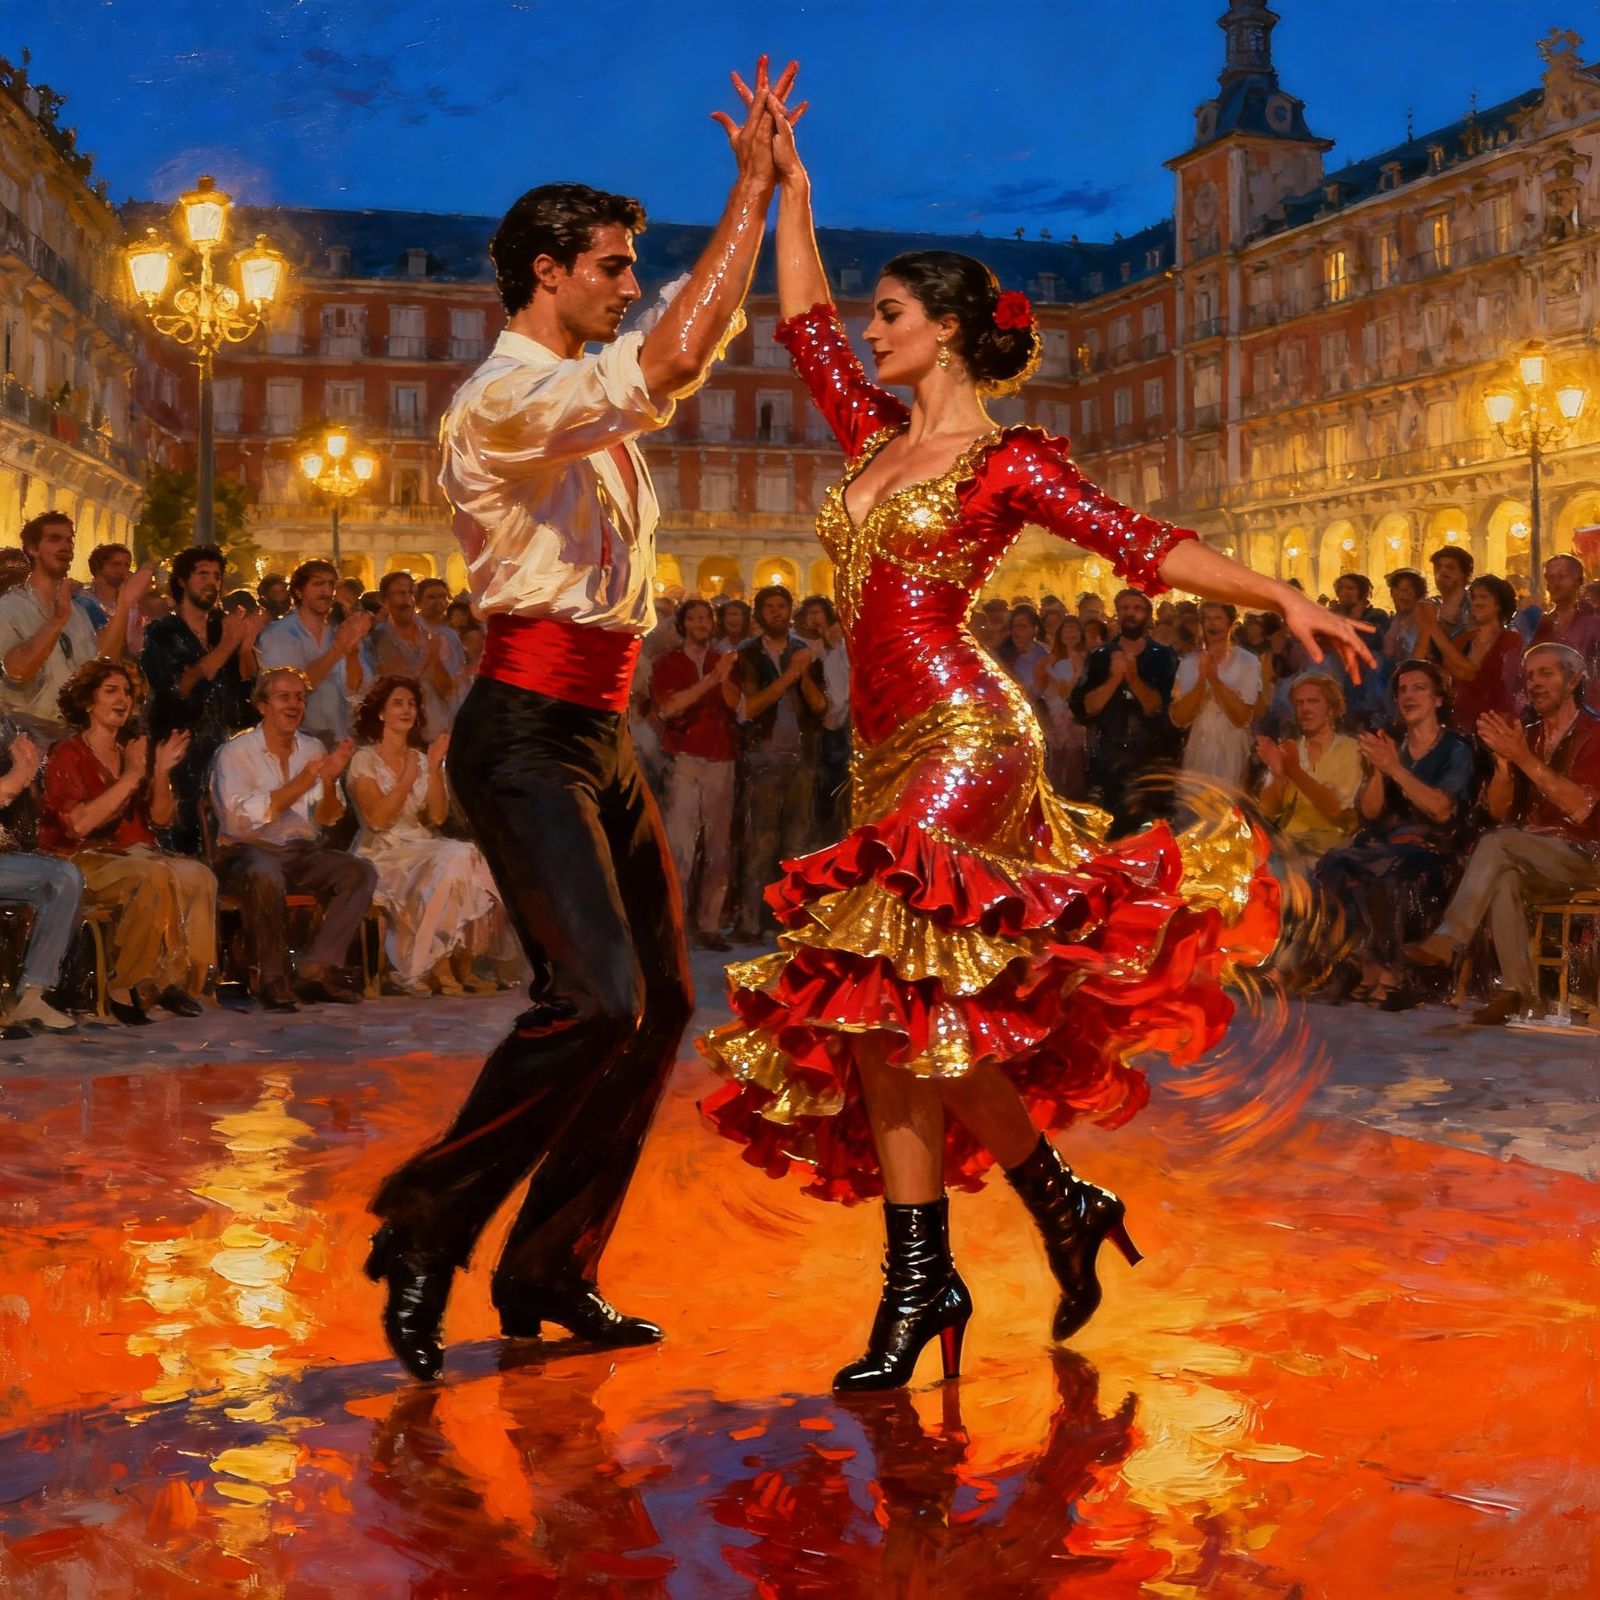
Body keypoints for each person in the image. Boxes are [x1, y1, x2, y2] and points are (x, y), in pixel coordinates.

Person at [698, 97, 1371, 1395]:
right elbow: (800, 321)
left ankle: (918, 1286)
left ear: (946, 329)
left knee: (889, 1007)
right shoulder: (871, 439)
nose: (872, 330)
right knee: (914, 1016)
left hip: (965, 729)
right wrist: (789, 183)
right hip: (883, 748)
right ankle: (1057, 1204)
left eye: (893, 313)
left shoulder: (1004, 462)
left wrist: (1277, 596)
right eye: (876, 314)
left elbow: (1139, 542)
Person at [366, 59, 796, 1385]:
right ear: (549, 272)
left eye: (628, 267)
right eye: (610, 266)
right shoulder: (504, 397)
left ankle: (552, 1265)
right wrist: (752, 196)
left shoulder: (580, 399)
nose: (626, 284)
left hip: (604, 732)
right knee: (595, 995)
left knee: (660, 1003)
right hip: (522, 730)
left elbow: (652, 355)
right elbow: (674, 354)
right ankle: (429, 1222)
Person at [1404, 642, 1600, 1024]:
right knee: (1504, 873)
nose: (1535, 684)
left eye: (1547, 673)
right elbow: (1498, 812)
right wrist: (1505, 767)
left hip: (1590, 855)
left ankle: (1450, 938)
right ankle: (1517, 991)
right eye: (1529, 676)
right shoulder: (1524, 734)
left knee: (1498, 846)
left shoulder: (1595, 733)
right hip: (1538, 857)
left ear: (1574, 679)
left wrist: (1523, 758)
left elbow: (1581, 807)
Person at [39, 659, 216, 1024]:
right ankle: (126, 985)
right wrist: (134, 775)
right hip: (80, 859)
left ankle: (173, 983)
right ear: (88, 702)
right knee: (149, 876)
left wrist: (161, 771)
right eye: (111, 691)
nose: (123, 699)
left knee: (199, 876)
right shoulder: (67, 754)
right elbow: (80, 825)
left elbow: (162, 819)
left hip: (137, 854)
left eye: (128, 693)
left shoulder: (131, 752)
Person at [210, 665, 375, 1011]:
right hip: (244, 853)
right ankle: (272, 977)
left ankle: (315, 969)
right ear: (262, 706)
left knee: (359, 872)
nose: (294, 705)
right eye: (284, 697)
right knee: (265, 870)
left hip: (298, 852)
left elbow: (327, 818)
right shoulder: (235, 753)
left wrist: (329, 782)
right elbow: (240, 821)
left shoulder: (311, 747)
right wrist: (303, 781)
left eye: (299, 698)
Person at [1311, 660, 1476, 1009]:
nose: (1408, 696)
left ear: (1437, 699)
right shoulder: (1393, 743)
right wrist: (1377, 771)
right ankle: (1366, 965)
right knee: (1335, 864)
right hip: (1387, 841)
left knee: (1389, 869)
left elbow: (1442, 809)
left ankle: (1396, 972)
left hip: (1435, 848)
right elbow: (1370, 812)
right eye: (1402, 690)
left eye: (1419, 688)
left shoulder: (1456, 747)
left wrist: (1394, 769)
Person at [347, 676, 513, 995]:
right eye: (397, 703)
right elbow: (378, 820)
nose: (407, 709)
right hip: (381, 853)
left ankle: (457, 964)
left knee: (467, 858)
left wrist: (434, 768)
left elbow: (436, 817)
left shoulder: (421, 759)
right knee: (455, 859)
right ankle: (436, 965)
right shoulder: (363, 760)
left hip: (421, 847)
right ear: (380, 713)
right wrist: (407, 778)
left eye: (411, 704)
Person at [141, 544, 264, 856]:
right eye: (202, 574)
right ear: (182, 581)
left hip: (223, 748)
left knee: (225, 841)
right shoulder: (162, 631)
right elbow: (179, 686)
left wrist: (246, 647)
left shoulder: (223, 626)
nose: (211, 582)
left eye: (216, 576)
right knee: (180, 841)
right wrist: (228, 645)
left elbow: (248, 690)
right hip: (179, 748)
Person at [728, 583, 826, 940]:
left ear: (789, 612)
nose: (776, 613)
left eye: (781, 607)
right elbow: (748, 709)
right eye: (769, 607)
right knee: (760, 842)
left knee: (796, 844)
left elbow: (820, 707)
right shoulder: (746, 654)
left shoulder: (804, 652)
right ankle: (750, 921)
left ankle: (787, 921)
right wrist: (788, 676)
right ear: (759, 614)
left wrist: (803, 677)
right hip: (763, 755)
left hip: (802, 756)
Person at [649, 597, 739, 949]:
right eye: (695, 618)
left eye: (707, 619)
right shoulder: (668, 662)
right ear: (684, 624)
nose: (701, 624)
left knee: (718, 848)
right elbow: (670, 708)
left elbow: (734, 705)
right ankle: (675, 924)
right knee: (680, 846)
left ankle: (710, 925)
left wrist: (724, 678)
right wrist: (711, 681)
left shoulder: (724, 660)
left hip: (722, 757)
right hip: (684, 758)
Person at [1069, 588, 1181, 834]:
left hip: (1152, 758)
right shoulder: (1100, 656)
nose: (1131, 614)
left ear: (1148, 615)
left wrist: (1132, 677)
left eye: (1137, 608)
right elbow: (1085, 707)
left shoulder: (1163, 656)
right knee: (1110, 832)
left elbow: (1157, 706)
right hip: (1108, 758)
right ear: (1117, 614)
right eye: (1125, 608)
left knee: (1152, 832)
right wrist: (1113, 679)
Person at [0, 710, 81, 1031]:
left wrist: (29, 770)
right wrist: (21, 773)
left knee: (63, 877)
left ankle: (32, 995)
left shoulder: (4, 725)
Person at [0, 513, 109, 740]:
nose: (65, 547)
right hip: (26, 739)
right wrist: (57, 620)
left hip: (75, 735)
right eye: (54, 539)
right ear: (32, 548)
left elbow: (93, 669)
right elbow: (17, 671)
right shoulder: (8, 608)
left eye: (69, 540)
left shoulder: (78, 612)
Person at [256, 559, 372, 745]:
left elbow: (357, 689)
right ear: (299, 591)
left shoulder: (337, 633)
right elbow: (289, 688)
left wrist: (352, 651)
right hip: (296, 743)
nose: (326, 591)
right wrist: (338, 649)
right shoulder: (279, 634)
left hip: (340, 739)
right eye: (318, 584)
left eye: (331, 584)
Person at [1255, 675, 1362, 857]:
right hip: (1290, 844)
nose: (1305, 709)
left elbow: (1338, 811)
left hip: (1334, 848)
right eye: (1299, 703)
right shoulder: (1290, 750)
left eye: (1313, 701)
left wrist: (1294, 772)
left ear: (1331, 709)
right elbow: (1268, 812)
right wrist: (1279, 775)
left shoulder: (1352, 751)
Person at [1170, 601, 1262, 790]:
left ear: (1231, 623)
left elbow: (1242, 717)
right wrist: (1202, 680)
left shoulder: (1248, 662)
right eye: (1207, 620)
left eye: (1218, 619)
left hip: (1234, 753)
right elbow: (1178, 719)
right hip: (1198, 752)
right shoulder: (1188, 663)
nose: (1212, 624)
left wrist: (1214, 679)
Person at [365, 571, 468, 737]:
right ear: (384, 601)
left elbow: (449, 689)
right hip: (402, 734)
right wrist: (427, 659)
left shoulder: (439, 636)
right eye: (400, 593)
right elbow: (394, 685)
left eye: (410, 592)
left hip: (441, 728)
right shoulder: (378, 638)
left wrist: (434, 662)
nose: (407, 600)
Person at [1421, 574, 1522, 733]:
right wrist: (1426, 626)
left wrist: (1433, 627)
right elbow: (1446, 671)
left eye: (1483, 597)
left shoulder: (1511, 640)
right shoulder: (1464, 638)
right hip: (1462, 724)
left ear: (1499, 604)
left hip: (1495, 727)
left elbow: (1469, 673)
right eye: (1474, 597)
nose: (1476, 602)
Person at [1530, 553, 1600, 706]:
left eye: (1561, 577)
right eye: (1550, 578)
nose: (1554, 584)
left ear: (1579, 581)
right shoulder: (1543, 623)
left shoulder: (1593, 622)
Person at [1035, 614, 1087, 798]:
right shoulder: (1046, 660)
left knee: (1075, 759)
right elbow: (1039, 689)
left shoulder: (1086, 659)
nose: (1071, 633)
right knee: (1055, 758)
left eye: (1075, 629)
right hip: (1054, 713)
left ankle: (1075, 797)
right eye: (1067, 629)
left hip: (1076, 715)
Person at [77, 542, 146, 659]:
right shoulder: (82, 602)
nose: (123, 570)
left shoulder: (134, 606)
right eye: (116, 564)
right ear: (98, 567)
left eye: (126, 565)